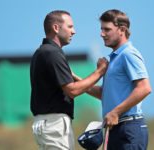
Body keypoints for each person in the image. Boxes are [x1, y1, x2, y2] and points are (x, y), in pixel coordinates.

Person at [74, 9, 152, 150]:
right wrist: (76, 80)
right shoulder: (113, 58)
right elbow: (105, 94)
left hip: (129, 129)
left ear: (122, 30)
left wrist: (115, 112)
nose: (102, 34)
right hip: (116, 129)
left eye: (107, 29)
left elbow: (144, 88)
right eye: (101, 29)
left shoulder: (129, 54)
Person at [30, 10, 108, 150]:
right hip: (54, 123)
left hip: (47, 123)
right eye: (70, 26)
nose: (74, 31)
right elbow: (73, 90)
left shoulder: (43, 52)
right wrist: (100, 71)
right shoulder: (52, 53)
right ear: (56, 28)